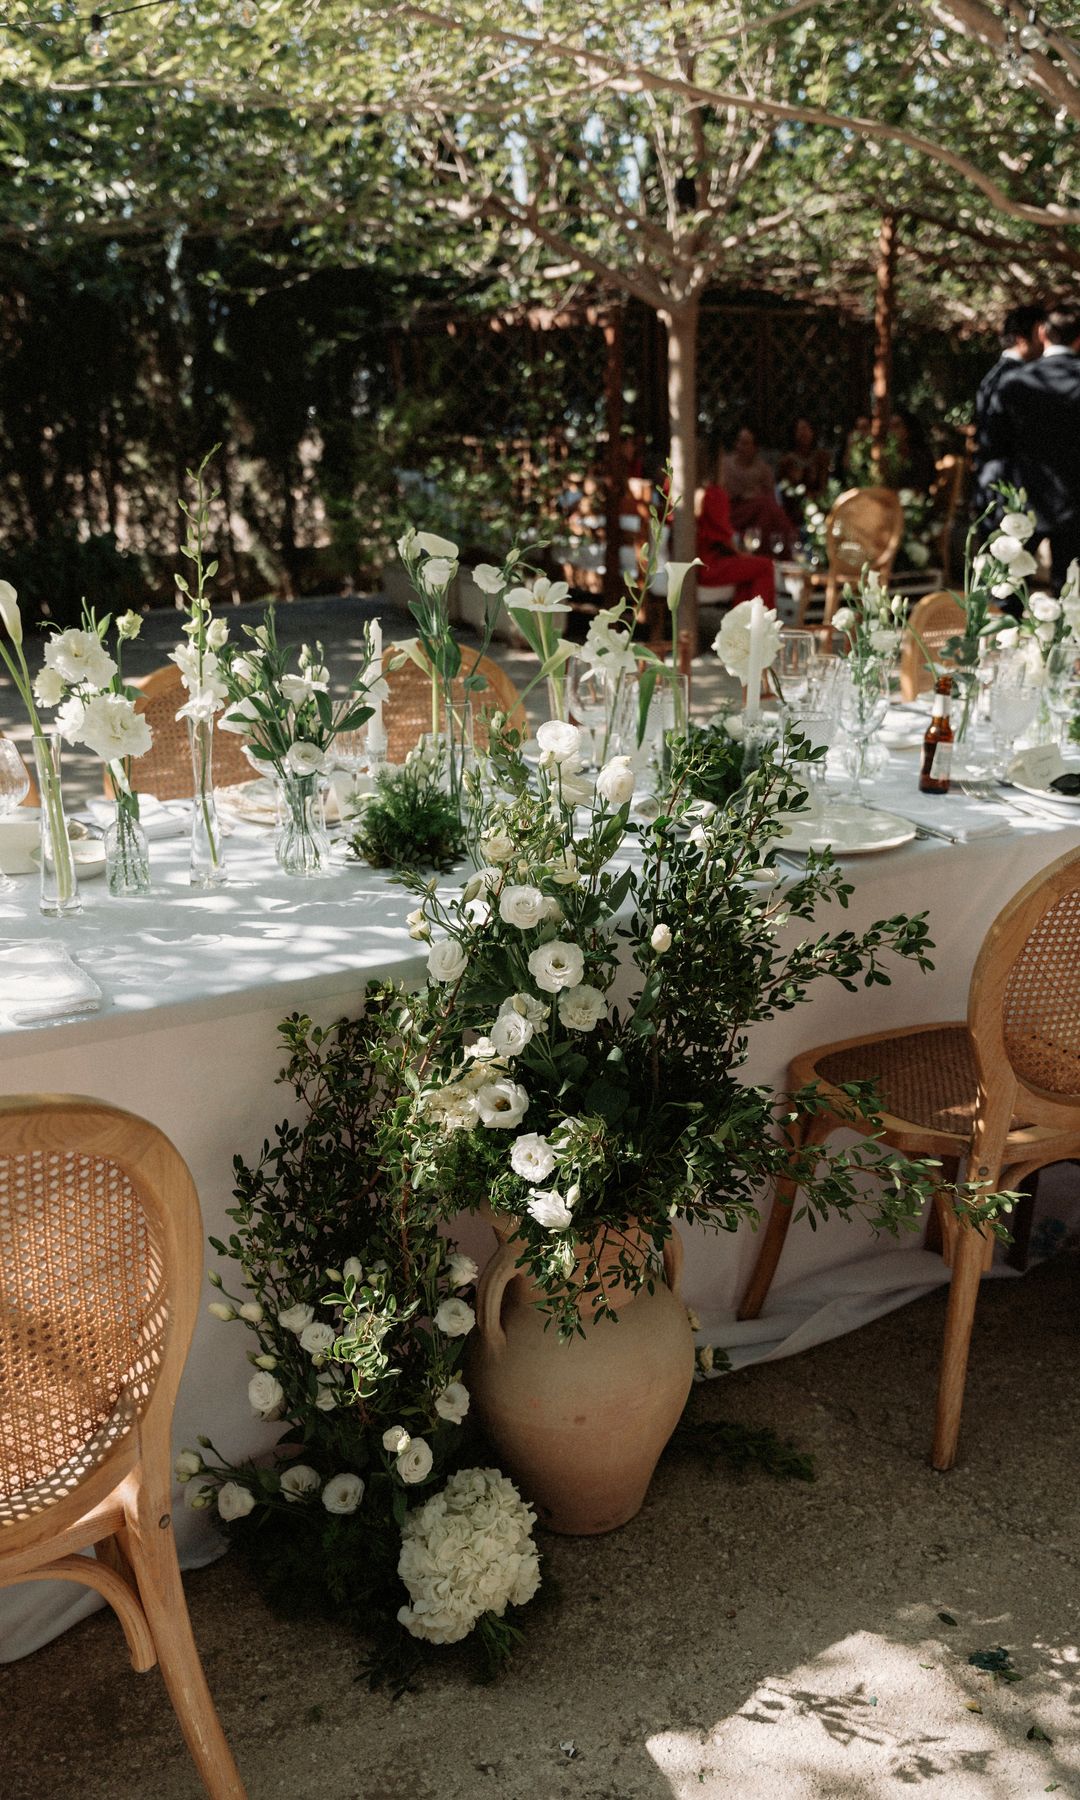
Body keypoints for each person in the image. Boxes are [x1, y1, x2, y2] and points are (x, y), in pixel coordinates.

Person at [989, 306, 1080, 588]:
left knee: (1009, 583)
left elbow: (994, 444)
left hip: (1025, 497)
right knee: (1072, 590)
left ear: (1043, 333)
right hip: (1076, 500)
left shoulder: (1013, 382)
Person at [972, 303, 1046, 524]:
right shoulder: (1020, 379)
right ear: (1030, 334)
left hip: (990, 481)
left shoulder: (994, 375)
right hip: (1009, 487)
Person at [695, 480, 776, 608]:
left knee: (748, 572)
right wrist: (740, 554)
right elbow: (722, 533)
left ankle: (743, 623)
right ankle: (760, 620)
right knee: (765, 566)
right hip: (706, 567)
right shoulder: (712, 494)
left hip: (697, 564)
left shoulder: (678, 490)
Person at [719, 427, 799, 557]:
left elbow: (771, 496)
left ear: (755, 448)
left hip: (756, 513)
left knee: (767, 510)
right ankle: (792, 545)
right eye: (739, 442)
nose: (741, 447)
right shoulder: (725, 465)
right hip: (732, 511)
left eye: (745, 443)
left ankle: (781, 549)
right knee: (765, 506)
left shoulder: (763, 470)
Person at [777, 418, 832, 500]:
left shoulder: (822, 457)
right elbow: (785, 487)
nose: (804, 433)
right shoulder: (786, 461)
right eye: (800, 430)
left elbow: (824, 483)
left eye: (807, 429)